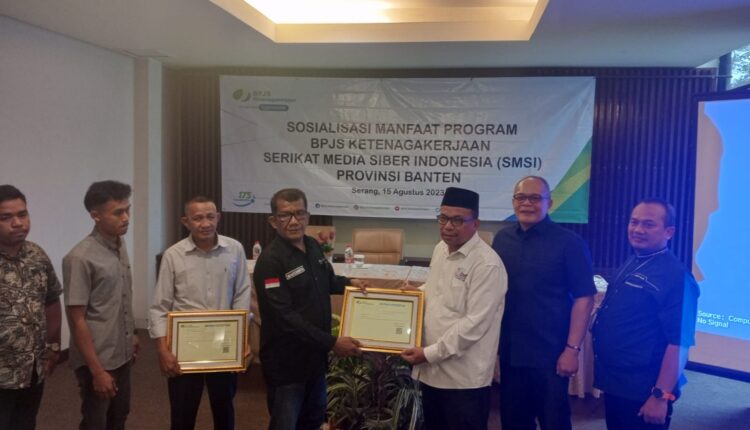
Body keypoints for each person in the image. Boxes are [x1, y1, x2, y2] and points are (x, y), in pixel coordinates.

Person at [252, 188, 368, 430]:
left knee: (313, 421)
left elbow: (327, 280)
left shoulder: (313, 245)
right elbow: (284, 317)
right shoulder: (270, 261)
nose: (294, 221)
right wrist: (332, 343)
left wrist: (350, 283)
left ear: (307, 216)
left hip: (315, 359)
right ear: (273, 221)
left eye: (299, 213)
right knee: (285, 424)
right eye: (285, 215)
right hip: (287, 364)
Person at [492, 175, 596, 430]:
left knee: (554, 422)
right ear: (513, 202)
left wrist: (572, 350)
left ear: (549, 203)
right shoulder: (502, 240)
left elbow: (584, 298)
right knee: (513, 422)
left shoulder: (570, 243)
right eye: (521, 197)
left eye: (535, 198)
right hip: (511, 353)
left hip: (550, 355)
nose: (527, 203)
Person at [401, 187, 507, 430]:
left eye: (457, 220)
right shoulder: (440, 249)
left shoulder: (487, 265)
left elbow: (474, 325)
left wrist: (428, 353)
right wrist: (414, 294)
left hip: (464, 379)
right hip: (432, 372)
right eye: (443, 218)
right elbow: (436, 289)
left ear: (475, 224)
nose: (448, 226)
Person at [592, 199, 699, 430]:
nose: (638, 229)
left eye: (648, 224)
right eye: (634, 222)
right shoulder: (635, 259)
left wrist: (660, 396)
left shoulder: (677, 278)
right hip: (618, 383)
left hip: (644, 389)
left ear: (669, 232)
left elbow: (679, 343)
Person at [148, 196, 251, 430]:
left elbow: (242, 296)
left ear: (218, 218)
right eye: (197, 218)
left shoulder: (234, 249)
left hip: (224, 344)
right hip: (185, 347)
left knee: (224, 410)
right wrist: (162, 350)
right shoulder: (173, 255)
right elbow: (160, 306)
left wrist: (242, 340)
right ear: (186, 222)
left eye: (210, 217)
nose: (205, 223)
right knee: (182, 414)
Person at [63, 180, 138, 430]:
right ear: (95, 215)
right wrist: (97, 372)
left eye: (127, 210)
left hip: (122, 352)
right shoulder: (79, 258)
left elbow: (121, 297)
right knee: (96, 421)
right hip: (97, 358)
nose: (126, 218)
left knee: (119, 416)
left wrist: (132, 334)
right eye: (118, 212)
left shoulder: (118, 243)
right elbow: (77, 319)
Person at [0, 185, 62, 430]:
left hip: (32, 369)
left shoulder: (37, 255)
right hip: (1, 373)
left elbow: (51, 300)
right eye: (6, 217)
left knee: (25, 423)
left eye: (22, 214)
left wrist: (54, 346)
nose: (17, 223)